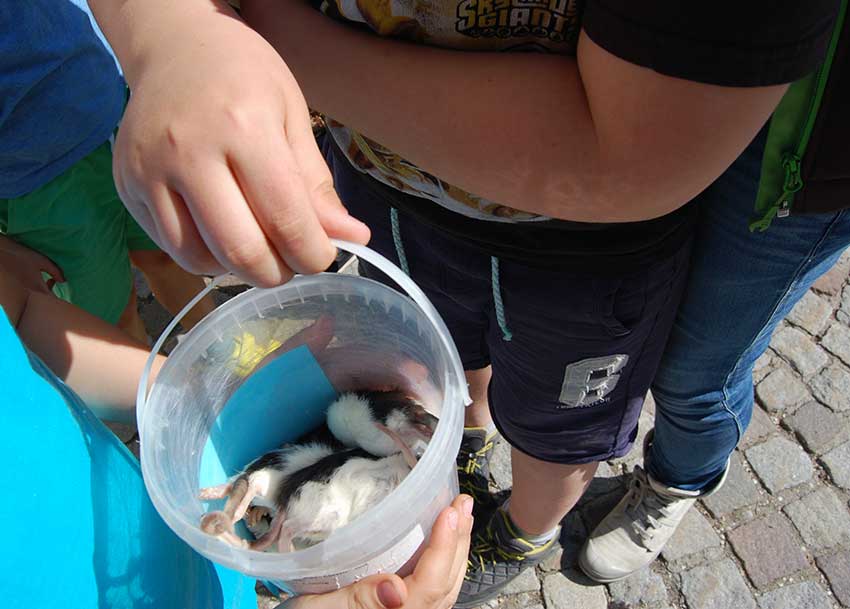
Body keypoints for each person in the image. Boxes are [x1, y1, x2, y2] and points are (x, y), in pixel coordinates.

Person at [84, 0, 838, 605]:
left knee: (560, 428)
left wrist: (273, 34)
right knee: (439, 354)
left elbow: (632, 155)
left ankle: (527, 531)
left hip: (592, 252)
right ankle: (461, 437)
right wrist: (173, 31)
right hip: (384, 184)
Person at [0, 241, 473, 608]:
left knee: (281, 495)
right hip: (229, 542)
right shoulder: (359, 443)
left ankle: (257, 524)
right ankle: (262, 527)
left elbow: (22, 315)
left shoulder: (346, 437)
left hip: (219, 553)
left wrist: (206, 403)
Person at [579, 3, 850, 582]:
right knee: (613, 302)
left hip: (806, 137)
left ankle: (679, 478)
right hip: (667, 68)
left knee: (695, 369)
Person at [0, 1, 215, 345]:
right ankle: (153, 392)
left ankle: (227, 347)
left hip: (114, 102)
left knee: (170, 253)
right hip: (37, 187)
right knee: (113, 313)